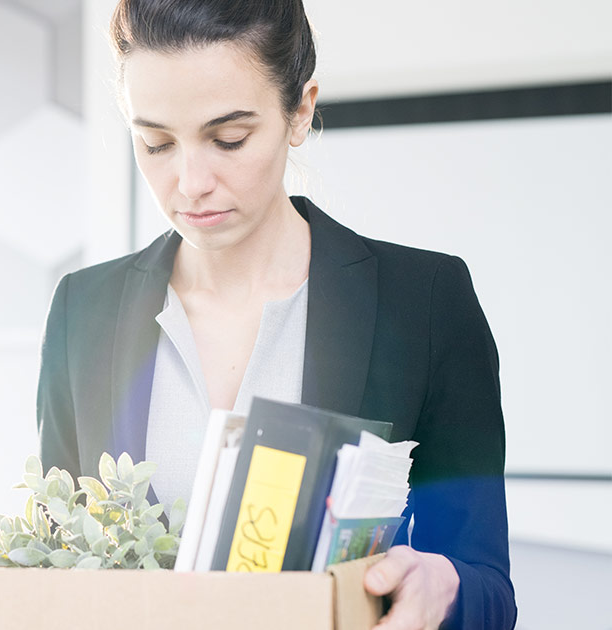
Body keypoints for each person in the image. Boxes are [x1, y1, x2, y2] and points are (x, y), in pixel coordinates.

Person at [33, 2, 515, 629]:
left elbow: (488, 587)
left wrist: (445, 587)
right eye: (155, 143)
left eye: (229, 139)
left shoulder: (423, 301)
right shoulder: (83, 310)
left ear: (301, 110)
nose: (189, 182)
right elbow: (59, 562)